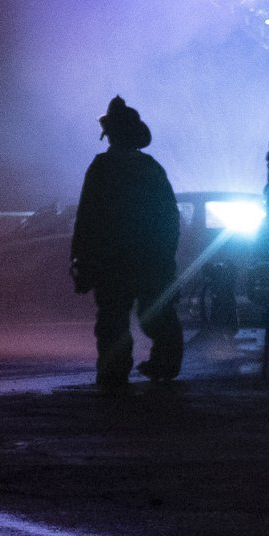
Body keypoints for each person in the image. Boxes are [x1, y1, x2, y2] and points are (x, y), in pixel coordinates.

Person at [72, 96, 183, 392]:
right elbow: (169, 216)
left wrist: (81, 259)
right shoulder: (151, 168)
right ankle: (165, 364)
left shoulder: (102, 167)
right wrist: (166, 254)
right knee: (156, 313)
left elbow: (88, 217)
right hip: (150, 258)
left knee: (112, 319)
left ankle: (113, 373)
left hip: (112, 261)